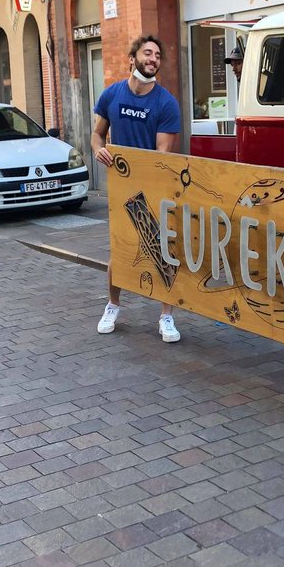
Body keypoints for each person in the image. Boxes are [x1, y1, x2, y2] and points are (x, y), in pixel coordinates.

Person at [92, 35, 183, 343]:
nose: (153, 58)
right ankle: (112, 305)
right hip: (119, 188)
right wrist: (99, 149)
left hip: (153, 188)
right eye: (147, 53)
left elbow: (162, 155)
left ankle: (166, 316)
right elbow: (97, 134)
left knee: (162, 252)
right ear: (132, 59)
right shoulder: (112, 95)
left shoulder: (166, 103)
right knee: (119, 251)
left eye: (157, 55)